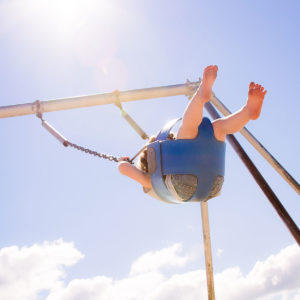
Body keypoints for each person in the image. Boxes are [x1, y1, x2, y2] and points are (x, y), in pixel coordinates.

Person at [118, 65, 267, 201]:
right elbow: (123, 168)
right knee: (191, 129)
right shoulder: (154, 178)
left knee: (218, 128)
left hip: (213, 186)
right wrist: (123, 163)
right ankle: (201, 97)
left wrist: (124, 163)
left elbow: (123, 169)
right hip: (192, 181)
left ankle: (247, 112)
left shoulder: (150, 182)